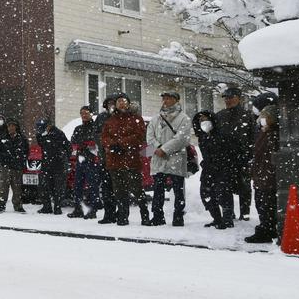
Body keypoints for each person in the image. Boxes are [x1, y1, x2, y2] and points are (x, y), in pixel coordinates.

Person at [101, 94, 148, 226]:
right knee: (119, 192)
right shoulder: (110, 121)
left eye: (124, 101)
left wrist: (121, 143)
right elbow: (104, 137)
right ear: (115, 105)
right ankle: (122, 216)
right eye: (119, 101)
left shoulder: (136, 119)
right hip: (114, 161)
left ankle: (145, 215)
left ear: (128, 103)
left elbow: (139, 136)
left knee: (137, 190)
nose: (121, 103)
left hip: (131, 161)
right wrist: (112, 145)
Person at [146, 91, 192, 226]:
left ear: (176, 100)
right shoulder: (156, 118)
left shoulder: (184, 118)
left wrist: (164, 149)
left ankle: (178, 217)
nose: (165, 101)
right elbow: (149, 136)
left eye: (169, 98)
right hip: (158, 158)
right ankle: (157, 216)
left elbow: (182, 138)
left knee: (178, 190)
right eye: (164, 98)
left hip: (176, 158)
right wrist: (157, 147)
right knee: (158, 189)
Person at [216, 87, 256, 221]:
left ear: (239, 98)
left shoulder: (248, 115)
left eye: (231, 97)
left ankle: (245, 214)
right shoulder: (219, 116)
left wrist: (249, 155)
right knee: (225, 187)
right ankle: (228, 214)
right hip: (225, 157)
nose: (228, 100)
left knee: (244, 187)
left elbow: (253, 137)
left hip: (243, 157)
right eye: (226, 98)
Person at [193, 111, 236, 229]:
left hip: (223, 168)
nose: (203, 122)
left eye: (205, 119)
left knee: (223, 193)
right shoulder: (203, 137)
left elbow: (229, 152)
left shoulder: (222, 135)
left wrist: (224, 165)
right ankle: (217, 218)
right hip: (208, 169)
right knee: (206, 193)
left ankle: (227, 219)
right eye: (201, 120)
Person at [246, 102, 280, 243]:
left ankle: (266, 230)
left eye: (266, 116)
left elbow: (269, 154)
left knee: (266, 204)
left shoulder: (274, 134)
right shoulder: (264, 132)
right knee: (261, 203)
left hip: (267, 175)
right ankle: (267, 228)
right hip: (261, 173)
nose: (263, 119)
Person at [69, 106, 101, 218]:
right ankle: (78, 209)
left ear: (91, 114)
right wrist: (84, 143)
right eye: (82, 113)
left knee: (93, 186)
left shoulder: (95, 127)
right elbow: (73, 140)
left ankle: (93, 210)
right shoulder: (78, 128)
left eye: (86, 113)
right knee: (77, 185)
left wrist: (86, 144)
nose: (84, 115)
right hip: (80, 159)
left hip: (92, 160)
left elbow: (96, 143)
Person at [34, 117, 70, 215]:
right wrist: (41, 135)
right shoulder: (41, 134)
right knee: (43, 186)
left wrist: (64, 159)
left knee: (58, 188)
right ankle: (47, 206)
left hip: (58, 164)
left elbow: (68, 147)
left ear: (49, 126)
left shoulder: (58, 134)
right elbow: (41, 144)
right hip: (46, 164)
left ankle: (57, 207)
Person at [93, 95, 119, 224]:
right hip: (105, 158)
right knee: (106, 188)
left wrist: (115, 145)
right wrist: (105, 145)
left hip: (120, 158)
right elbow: (96, 134)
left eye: (114, 103)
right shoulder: (101, 117)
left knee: (119, 188)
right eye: (109, 103)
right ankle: (109, 214)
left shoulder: (122, 117)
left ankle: (121, 214)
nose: (112, 106)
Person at [0, 119, 28, 214]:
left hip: (17, 167)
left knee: (17, 188)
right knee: (3, 188)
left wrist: (21, 160)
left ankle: (18, 206)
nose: (11, 128)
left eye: (13, 126)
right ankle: (1, 205)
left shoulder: (22, 138)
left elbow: (26, 151)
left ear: (16, 127)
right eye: (9, 126)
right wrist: (4, 158)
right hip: (5, 167)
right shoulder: (2, 138)